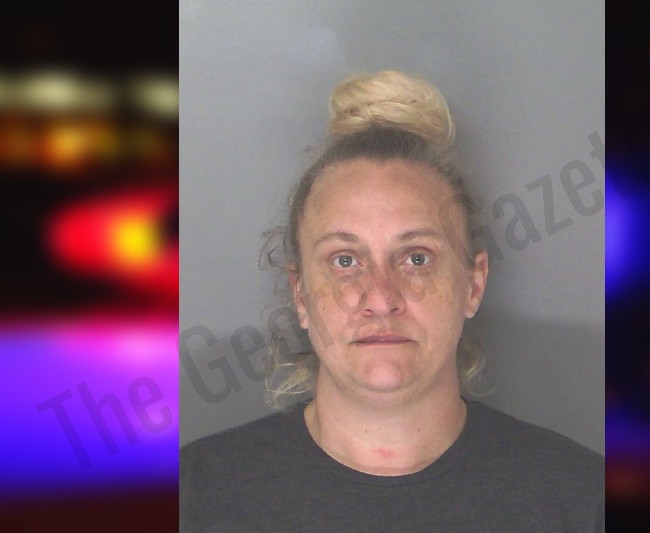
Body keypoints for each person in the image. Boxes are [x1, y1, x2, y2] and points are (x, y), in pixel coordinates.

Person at [180, 70, 604, 532]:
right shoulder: (193, 498)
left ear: (474, 283)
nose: (381, 300)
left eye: (417, 258)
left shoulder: (582, 500)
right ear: (300, 292)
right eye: (344, 260)